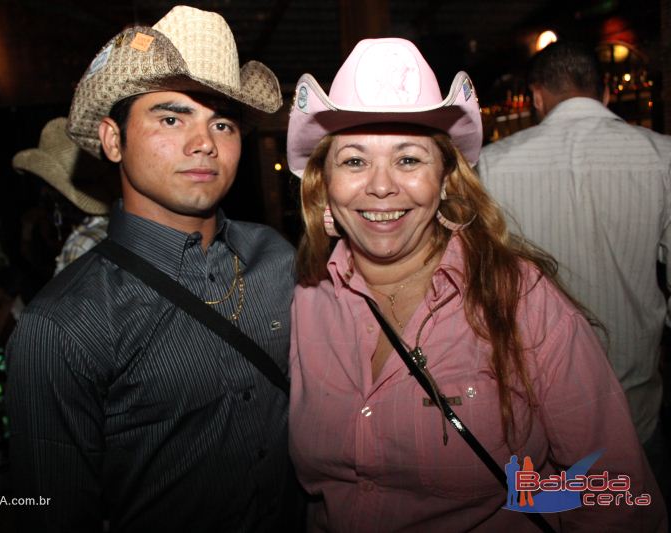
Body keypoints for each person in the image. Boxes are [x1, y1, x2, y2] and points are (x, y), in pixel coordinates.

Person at [286, 37, 666, 531]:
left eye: (408, 159)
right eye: (354, 160)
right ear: (326, 186)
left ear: (446, 180)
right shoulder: (309, 300)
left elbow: (613, 494)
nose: (381, 186)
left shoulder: (519, 300)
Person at [6, 6, 300, 533]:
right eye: (171, 117)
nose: (203, 142)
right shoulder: (63, 325)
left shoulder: (277, 259)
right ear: (113, 140)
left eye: (223, 122)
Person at [476, 41, 671, 499]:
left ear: (538, 96)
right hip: (637, 398)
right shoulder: (663, 157)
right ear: (603, 94)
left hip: (536, 411)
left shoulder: (491, 164)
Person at [12, 116, 117, 275]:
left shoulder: (81, 245)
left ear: (58, 197)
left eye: (47, 187)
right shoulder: (112, 229)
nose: (42, 194)